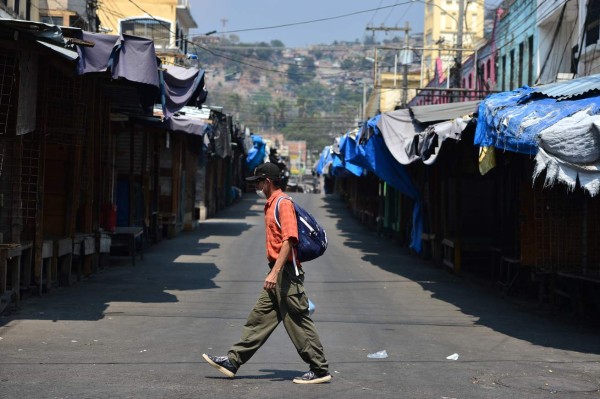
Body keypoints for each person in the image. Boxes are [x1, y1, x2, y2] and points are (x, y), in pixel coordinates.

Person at [202, 162, 331, 384]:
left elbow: (290, 240)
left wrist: (275, 273)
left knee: (298, 321)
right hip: (278, 272)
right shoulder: (271, 203)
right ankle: (233, 361)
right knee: (259, 318)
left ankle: (319, 370)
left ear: (268, 182)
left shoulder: (283, 203)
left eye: (259, 182)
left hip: (286, 274)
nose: (258, 186)